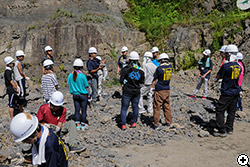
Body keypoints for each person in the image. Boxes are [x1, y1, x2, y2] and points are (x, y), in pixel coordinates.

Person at [213, 44, 241, 137]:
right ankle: (229, 128)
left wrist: (216, 79)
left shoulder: (226, 66)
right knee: (231, 111)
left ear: (228, 54)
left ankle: (221, 130)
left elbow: (219, 76)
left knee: (220, 110)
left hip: (227, 92)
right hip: (235, 91)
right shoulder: (238, 66)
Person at [119, 51, 145, 130]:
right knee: (135, 106)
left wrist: (125, 82)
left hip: (127, 91)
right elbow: (142, 82)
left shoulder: (126, 69)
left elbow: (121, 80)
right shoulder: (141, 71)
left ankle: (123, 124)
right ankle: (134, 122)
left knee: (124, 108)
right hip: (136, 91)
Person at [151, 53, 173, 129]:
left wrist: (151, 87)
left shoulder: (159, 69)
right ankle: (168, 121)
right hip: (167, 89)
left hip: (159, 89)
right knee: (167, 106)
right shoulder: (170, 67)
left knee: (157, 107)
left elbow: (154, 78)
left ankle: (156, 123)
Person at [68, 59, 89, 130]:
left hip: (75, 95)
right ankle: (83, 125)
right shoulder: (83, 76)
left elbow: (69, 85)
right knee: (83, 110)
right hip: (83, 95)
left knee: (77, 110)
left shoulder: (70, 75)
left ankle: (77, 124)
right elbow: (86, 86)